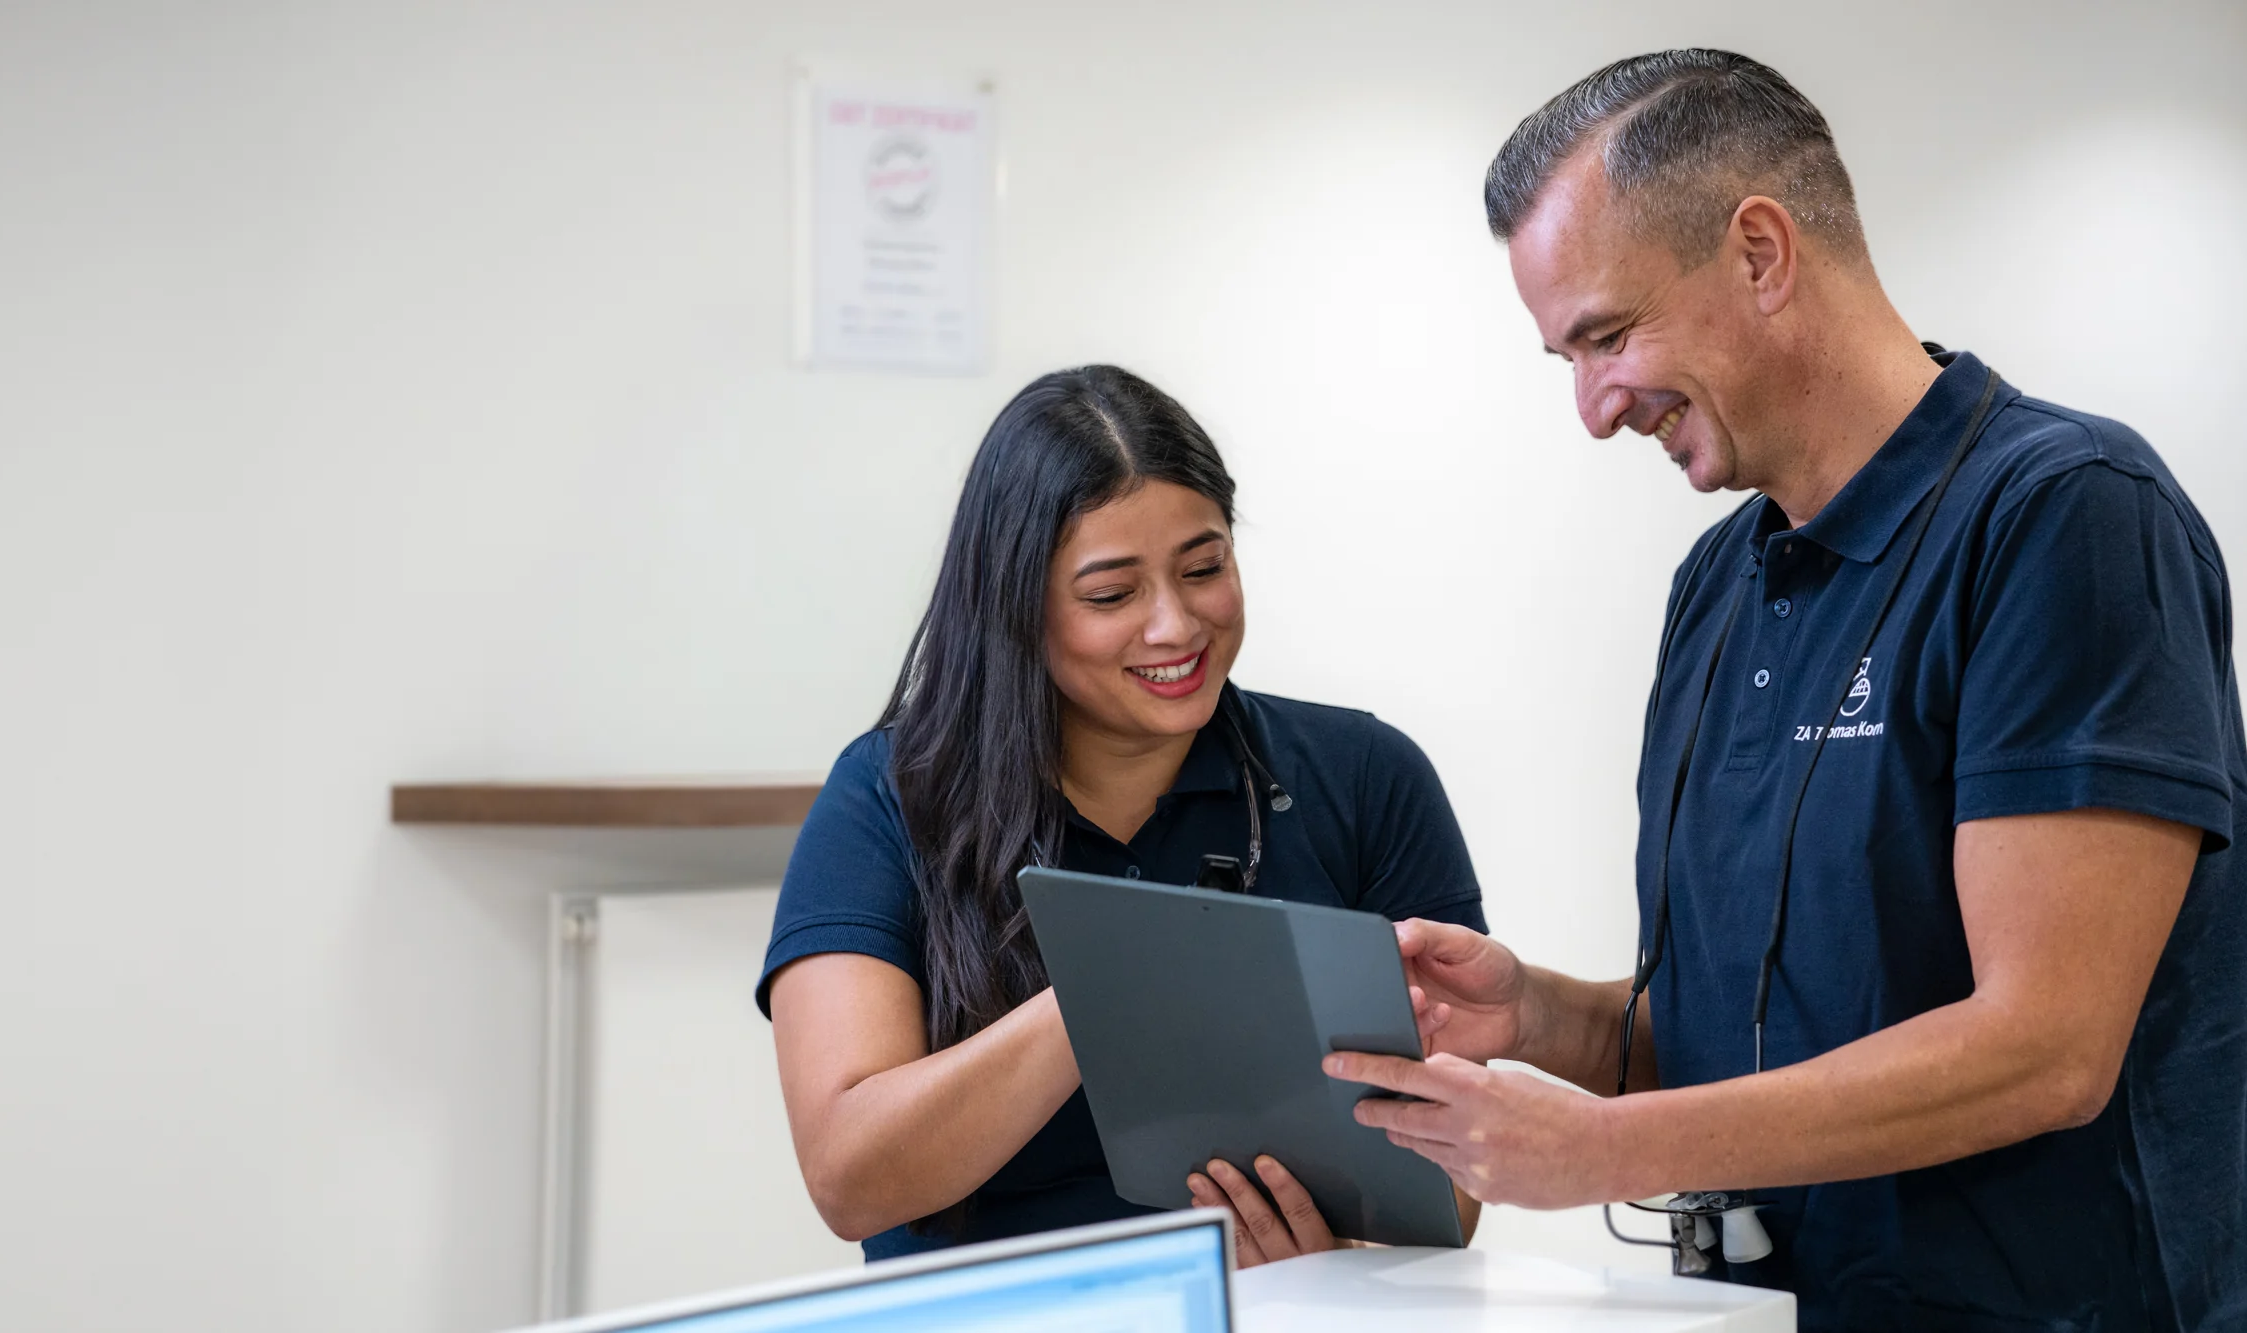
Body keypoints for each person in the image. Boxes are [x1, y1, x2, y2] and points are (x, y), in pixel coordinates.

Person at [1325, 50, 2246, 1331]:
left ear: (1760, 252)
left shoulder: (2064, 516)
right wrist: (1537, 1012)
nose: (1593, 410)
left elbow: (2045, 1049)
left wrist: (1607, 1150)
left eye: (1605, 335)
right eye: (1564, 360)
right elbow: (1727, 1042)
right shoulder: (1715, 584)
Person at [756, 365, 1487, 1268]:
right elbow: (849, 1175)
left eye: (1205, 567)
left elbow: (1454, 1190)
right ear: (1015, 606)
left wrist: (1335, 1247)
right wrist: (1122, 981)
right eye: (1112, 594)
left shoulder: (1366, 776)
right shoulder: (889, 797)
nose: (1176, 625)